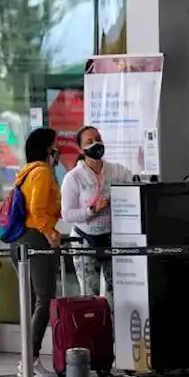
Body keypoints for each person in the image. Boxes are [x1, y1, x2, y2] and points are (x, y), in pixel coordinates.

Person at [14, 127, 64, 377]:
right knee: (44, 299)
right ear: (47, 148)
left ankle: (29, 359)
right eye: (55, 144)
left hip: (22, 239)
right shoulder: (42, 172)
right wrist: (50, 234)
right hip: (36, 238)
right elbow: (37, 208)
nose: (59, 148)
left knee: (34, 301)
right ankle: (30, 360)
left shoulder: (27, 171)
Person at [61, 126, 134, 297]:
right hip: (84, 240)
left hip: (111, 238)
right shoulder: (73, 177)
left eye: (98, 138)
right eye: (90, 141)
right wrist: (91, 210)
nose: (96, 143)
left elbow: (135, 185)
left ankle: (113, 323)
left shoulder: (117, 170)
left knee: (116, 294)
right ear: (81, 149)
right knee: (90, 296)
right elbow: (67, 214)